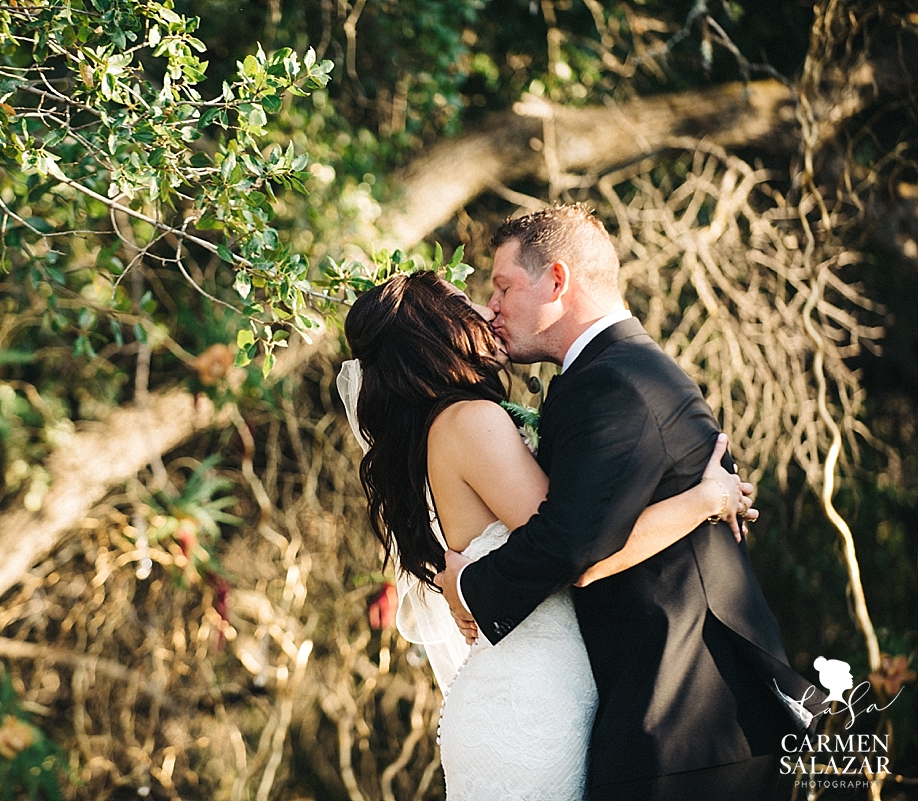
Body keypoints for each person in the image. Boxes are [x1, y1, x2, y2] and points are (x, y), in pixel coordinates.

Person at [433, 204, 824, 800]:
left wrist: (470, 589)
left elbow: (574, 545)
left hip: (692, 713)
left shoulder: (616, 381)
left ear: (557, 282)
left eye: (504, 286)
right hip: (668, 711)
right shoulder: (609, 373)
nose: (493, 307)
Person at [340, 269, 755, 800]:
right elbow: (578, 546)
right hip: (529, 706)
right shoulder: (471, 421)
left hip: (528, 694)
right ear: (436, 330)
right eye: (467, 304)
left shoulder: (442, 427)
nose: (487, 313)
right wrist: (706, 500)